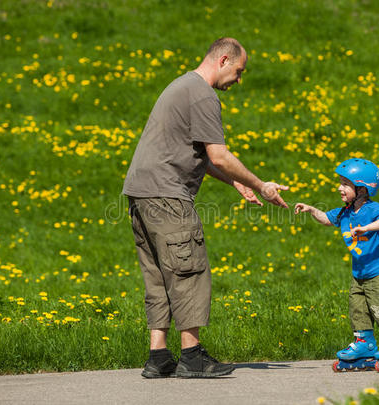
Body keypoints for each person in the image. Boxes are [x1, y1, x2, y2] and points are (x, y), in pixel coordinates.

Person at [122, 37, 289, 378]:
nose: (239, 80)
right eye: (239, 71)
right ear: (224, 59)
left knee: (159, 275)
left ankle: (158, 357)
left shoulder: (181, 86)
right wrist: (261, 185)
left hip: (140, 193)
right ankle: (192, 357)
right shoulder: (202, 93)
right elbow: (218, 155)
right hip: (168, 196)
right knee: (189, 271)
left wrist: (233, 181)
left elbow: (195, 150)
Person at [294, 158, 379, 372]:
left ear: (362, 188)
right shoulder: (345, 212)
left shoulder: (372, 208)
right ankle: (364, 344)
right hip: (359, 272)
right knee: (357, 308)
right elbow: (326, 219)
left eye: (345, 184)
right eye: (340, 183)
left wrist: (367, 228)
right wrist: (311, 209)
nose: (340, 188)